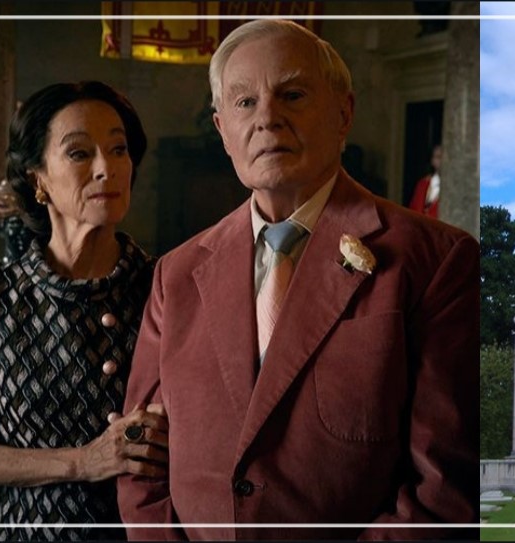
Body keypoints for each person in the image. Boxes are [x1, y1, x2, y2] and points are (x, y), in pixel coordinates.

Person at [116, 19, 478, 540]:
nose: (267, 118)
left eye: (293, 93)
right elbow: (141, 462)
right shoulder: (177, 274)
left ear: (343, 113)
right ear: (222, 131)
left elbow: (443, 492)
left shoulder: (435, 261)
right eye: (244, 103)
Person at [0, 81, 169, 541]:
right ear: (37, 180)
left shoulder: (166, 286)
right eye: (80, 153)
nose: (107, 168)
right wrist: (84, 461)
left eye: (119, 149)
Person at [409, 144, 441, 218]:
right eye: (438, 157)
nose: (441, 161)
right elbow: (412, 210)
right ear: (432, 160)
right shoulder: (422, 184)